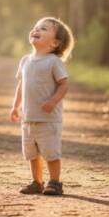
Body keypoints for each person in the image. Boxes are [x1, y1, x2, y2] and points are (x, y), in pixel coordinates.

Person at [9, 17, 74, 196]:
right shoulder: (25, 61)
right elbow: (21, 86)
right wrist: (15, 106)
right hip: (28, 118)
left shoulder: (53, 62)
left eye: (43, 29)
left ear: (55, 42)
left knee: (51, 152)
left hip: (48, 119)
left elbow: (64, 85)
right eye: (36, 27)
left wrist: (53, 101)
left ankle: (55, 182)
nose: (36, 30)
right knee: (32, 153)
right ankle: (37, 182)